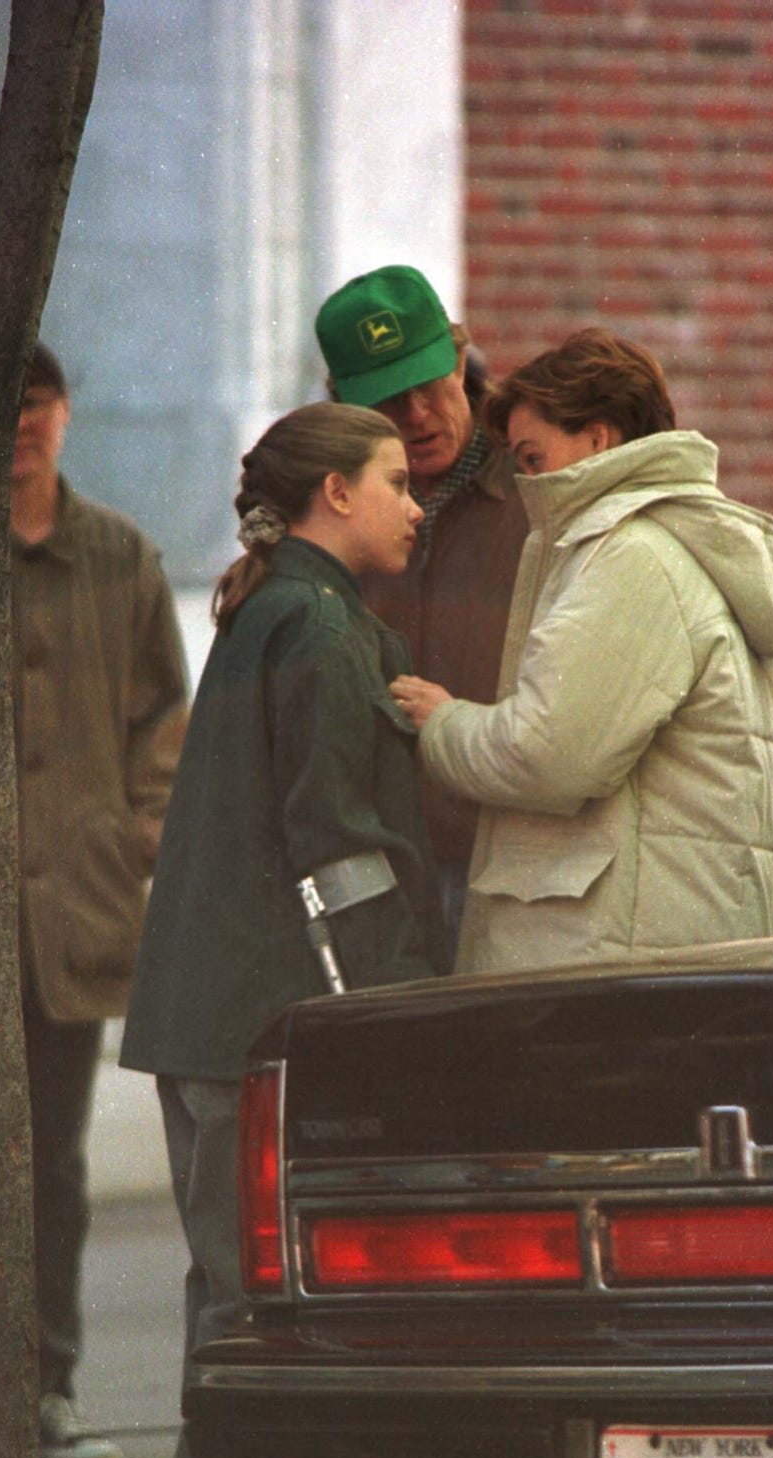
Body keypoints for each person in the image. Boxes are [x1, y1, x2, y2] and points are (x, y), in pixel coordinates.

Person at [119, 400, 447, 1458]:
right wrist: (398, 1007)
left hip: (210, 1010)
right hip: (265, 1019)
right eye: (394, 480)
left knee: (225, 1283)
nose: (414, 503)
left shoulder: (272, 612)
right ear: (335, 493)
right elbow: (338, 848)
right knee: (259, 1295)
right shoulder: (320, 626)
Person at [391, 328, 773, 974]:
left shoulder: (632, 557)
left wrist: (441, 724)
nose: (527, 484)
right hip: (656, 954)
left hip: (612, 962)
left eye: (532, 458)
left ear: (597, 437)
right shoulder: (673, 544)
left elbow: (549, 754)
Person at [11, 342, 188, 1458]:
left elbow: (162, 728)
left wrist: (133, 837)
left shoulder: (118, 555)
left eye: (37, 405)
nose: (22, 426)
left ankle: (48, 1389)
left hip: (67, 922)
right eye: (6, 409)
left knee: (53, 1174)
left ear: (68, 414)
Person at [314, 264, 529, 956]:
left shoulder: (541, 483)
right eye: (386, 402)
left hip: (510, 858)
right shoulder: (323, 502)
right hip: (379, 860)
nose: (416, 417)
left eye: (428, 388)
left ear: (460, 359)